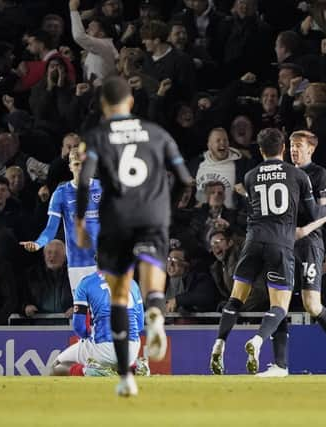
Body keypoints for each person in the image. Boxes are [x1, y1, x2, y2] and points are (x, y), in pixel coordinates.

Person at [75, 76, 193, 396]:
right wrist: (166, 208)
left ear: (103, 105)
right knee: (153, 283)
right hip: (153, 217)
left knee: (119, 296)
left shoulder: (97, 136)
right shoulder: (158, 134)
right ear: (131, 102)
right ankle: (156, 309)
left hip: (117, 220)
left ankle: (126, 377)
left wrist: (81, 221)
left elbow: (84, 181)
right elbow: (185, 178)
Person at [209, 128, 326, 376]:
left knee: (236, 299)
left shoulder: (249, 176)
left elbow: (252, 208)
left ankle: (219, 344)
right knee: (280, 305)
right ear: (282, 150)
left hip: (252, 242)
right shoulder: (297, 174)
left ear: (260, 150)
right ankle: (258, 342)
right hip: (281, 244)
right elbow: (313, 213)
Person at [257, 130, 326, 377]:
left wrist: (304, 230)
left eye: (299, 145)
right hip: (283, 243)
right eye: (291, 145)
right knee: (278, 303)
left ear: (311, 149)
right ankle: (280, 365)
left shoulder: (319, 175)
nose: (294, 149)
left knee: (312, 304)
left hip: (308, 242)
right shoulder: (284, 172)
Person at [21, 149, 101, 292]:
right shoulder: (61, 193)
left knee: (106, 311)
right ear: (70, 167)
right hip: (78, 263)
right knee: (82, 311)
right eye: (76, 164)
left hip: (104, 261)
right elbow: (51, 229)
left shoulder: (102, 189)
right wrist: (38, 244)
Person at [51, 271, 148, 377]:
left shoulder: (86, 283)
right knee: (113, 364)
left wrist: (87, 337)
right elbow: (140, 324)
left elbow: (79, 327)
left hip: (103, 346)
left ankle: (88, 371)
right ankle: (135, 368)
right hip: (132, 348)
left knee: (57, 366)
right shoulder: (132, 283)